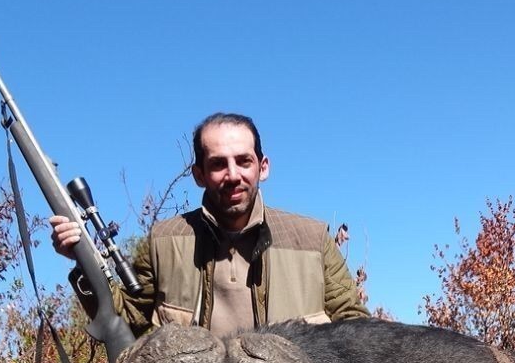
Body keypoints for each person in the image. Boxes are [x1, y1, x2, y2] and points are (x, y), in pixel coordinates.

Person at [51, 112, 369, 337]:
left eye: (244, 161)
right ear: (199, 174)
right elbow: (127, 319)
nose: (233, 175)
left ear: (263, 167)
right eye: (218, 164)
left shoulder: (312, 239)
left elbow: (356, 331)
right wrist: (82, 263)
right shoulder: (164, 240)